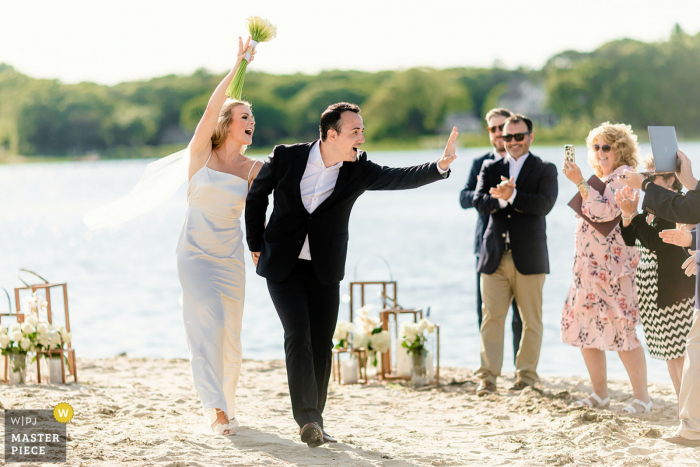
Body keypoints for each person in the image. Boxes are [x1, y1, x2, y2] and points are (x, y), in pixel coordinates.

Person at [245, 102, 457, 447]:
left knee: (321, 342)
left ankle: (315, 420)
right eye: (355, 131)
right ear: (332, 134)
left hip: (325, 268)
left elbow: (398, 177)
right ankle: (307, 419)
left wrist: (439, 167)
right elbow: (256, 197)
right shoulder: (286, 157)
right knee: (297, 335)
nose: (362, 136)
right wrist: (255, 242)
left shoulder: (359, 168)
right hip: (283, 264)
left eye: (362, 130)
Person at [176, 37, 262, 436]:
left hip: (230, 259)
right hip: (194, 255)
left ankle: (226, 402)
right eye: (245, 116)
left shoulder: (254, 169)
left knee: (231, 336)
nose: (251, 123)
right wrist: (237, 66)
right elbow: (212, 108)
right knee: (206, 323)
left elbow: (278, 205)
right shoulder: (200, 155)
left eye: (253, 120)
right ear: (228, 123)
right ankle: (215, 411)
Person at [561, 122, 651, 414]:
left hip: (613, 269)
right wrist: (585, 183)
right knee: (587, 328)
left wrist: (580, 183)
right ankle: (600, 394)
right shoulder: (602, 177)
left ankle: (642, 398)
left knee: (623, 329)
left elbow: (606, 213)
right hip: (588, 268)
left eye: (606, 147)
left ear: (620, 149)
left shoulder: (625, 175)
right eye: (596, 147)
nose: (599, 152)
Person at [472, 114, 558, 396]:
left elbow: (544, 205)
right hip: (494, 256)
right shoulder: (489, 166)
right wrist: (499, 198)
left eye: (518, 136)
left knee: (532, 321)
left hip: (529, 258)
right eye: (507, 137)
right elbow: (478, 201)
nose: (512, 142)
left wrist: (512, 196)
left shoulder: (545, 168)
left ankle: (526, 377)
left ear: (530, 137)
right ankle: (488, 378)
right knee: (491, 319)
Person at [622, 149, 700, 446]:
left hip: (673, 290)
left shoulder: (678, 206)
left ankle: (689, 416)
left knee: (683, 354)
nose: (653, 181)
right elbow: (631, 240)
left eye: (656, 177)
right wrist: (629, 215)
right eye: (650, 176)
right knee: (671, 355)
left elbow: (656, 243)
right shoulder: (656, 206)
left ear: (671, 177)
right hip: (651, 288)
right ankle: (687, 414)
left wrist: (636, 211)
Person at [460, 108, 522, 363]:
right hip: (486, 246)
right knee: (485, 313)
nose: (497, 134)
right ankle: (488, 367)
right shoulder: (480, 163)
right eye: (492, 129)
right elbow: (465, 198)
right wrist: (491, 198)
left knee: (522, 315)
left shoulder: (525, 162)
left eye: (501, 128)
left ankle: (522, 369)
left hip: (521, 245)